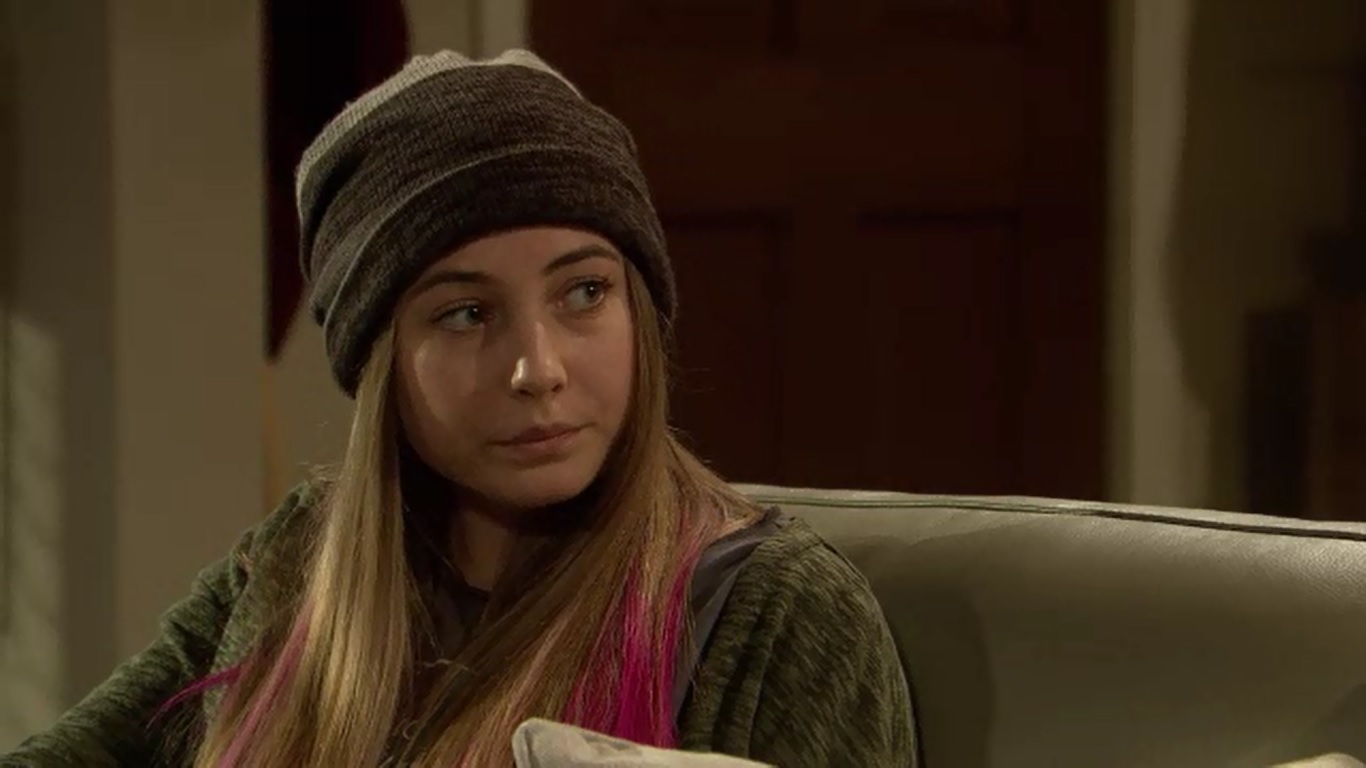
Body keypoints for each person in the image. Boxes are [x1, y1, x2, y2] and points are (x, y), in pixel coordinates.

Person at [2, 49, 914, 767]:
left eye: (584, 293)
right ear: (381, 364)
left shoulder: (777, 615)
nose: (537, 369)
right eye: (467, 314)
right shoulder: (297, 562)